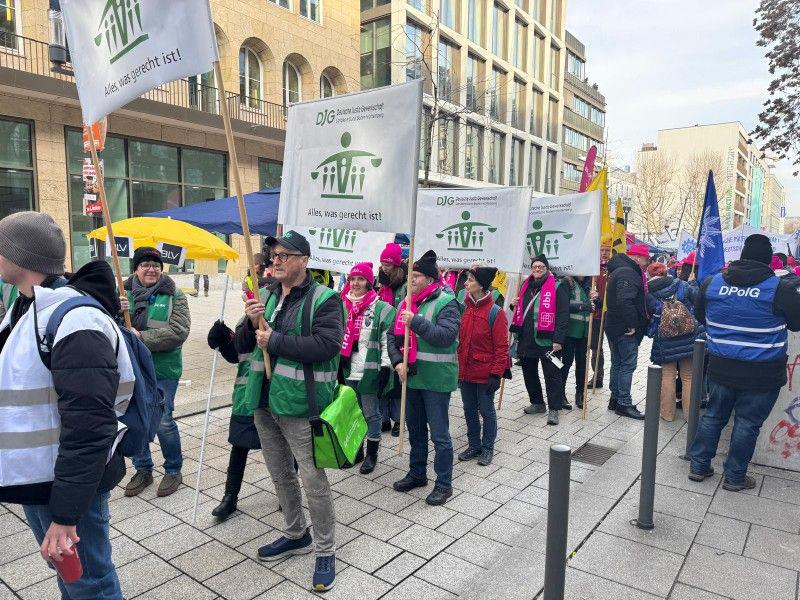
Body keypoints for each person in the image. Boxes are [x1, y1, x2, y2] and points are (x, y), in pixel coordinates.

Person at [0, 212, 134, 599]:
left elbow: (91, 426)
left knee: (89, 581)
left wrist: (65, 514)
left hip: (68, 485)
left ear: (22, 257)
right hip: (42, 477)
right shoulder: (26, 307)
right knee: (71, 577)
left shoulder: (75, 320)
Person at [234, 230, 343, 592]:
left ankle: (325, 550)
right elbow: (243, 345)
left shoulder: (326, 300)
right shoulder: (265, 295)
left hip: (299, 404)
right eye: (274, 256)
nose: (276, 261)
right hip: (263, 400)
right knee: (280, 473)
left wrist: (275, 340)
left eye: (285, 255)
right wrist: (250, 322)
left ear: (304, 261)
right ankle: (296, 533)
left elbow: (327, 346)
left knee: (312, 478)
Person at [689, 234, 800, 491]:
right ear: (768, 260)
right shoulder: (779, 288)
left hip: (721, 366)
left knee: (713, 416)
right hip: (762, 372)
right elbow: (796, 323)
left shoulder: (713, 283)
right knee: (747, 423)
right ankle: (735, 476)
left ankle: (698, 465)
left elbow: (701, 316)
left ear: (742, 256)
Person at [388, 250, 461, 506]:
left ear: (430, 280)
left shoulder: (447, 303)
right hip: (411, 378)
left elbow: (446, 337)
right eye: (410, 275)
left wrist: (416, 322)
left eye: (416, 276)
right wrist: (397, 361)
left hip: (436, 380)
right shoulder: (405, 303)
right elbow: (391, 336)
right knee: (416, 431)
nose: (411, 280)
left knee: (439, 435)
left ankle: (444, 484)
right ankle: (417, 474)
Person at [122, 247, 191, 498]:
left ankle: (173, 470)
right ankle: (143, 469)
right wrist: (114, 310)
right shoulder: (122, 295)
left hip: (163, 369)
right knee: (135, 419)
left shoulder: (174, 295)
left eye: (156, 265)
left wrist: (141, 337)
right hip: (132, 369)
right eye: (145, 265)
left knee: (163, 421)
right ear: (136, 269)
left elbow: (178, 331)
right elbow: (109, 328)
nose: (151, 269)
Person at [340, 262, 396, 474]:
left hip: (369, 371)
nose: (355, 283)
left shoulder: (380, 308)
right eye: (353, 279)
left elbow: (386, 340)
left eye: (361, 279)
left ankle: (372, 454)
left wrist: (386, 366)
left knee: (371, 413)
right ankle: (357, 449)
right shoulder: (342, 305)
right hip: (348, 369)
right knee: (353, 412)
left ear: (369, 282)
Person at [206, 318, 262, 520]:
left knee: (284, 447)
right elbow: (236, 354)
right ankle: (230, 496)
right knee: (239, 445)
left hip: (276, 395)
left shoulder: (283, 312)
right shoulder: (245, 320)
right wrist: (223, 340)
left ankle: (287, 493)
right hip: (245, 395)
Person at [457, 266, 509, 466]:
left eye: (470, 280)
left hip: (485, 374)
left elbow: (501, 347)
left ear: (481, 285)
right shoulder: (464, 307)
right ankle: (474, 445)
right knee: (469, 409)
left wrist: (496, 374)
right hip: (465, 371)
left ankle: (487, 448)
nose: (465, 283)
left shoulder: (496, 313)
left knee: (486, 411)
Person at [511, 254, 569, 425]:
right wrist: (514, 305)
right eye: (535, 267)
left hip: (548, 340)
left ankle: (554, 409)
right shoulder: (525, 285)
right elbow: (521, 310)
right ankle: (537, 403)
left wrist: (558, 339)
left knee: (552, 374)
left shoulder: (557, 286)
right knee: (529, 372)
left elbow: (563, 315)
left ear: (547, 269)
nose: (537, 269)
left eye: (541, 267)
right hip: (526, 338)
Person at [645, 262, 702, 421]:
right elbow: (698, 300)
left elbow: (650, 314)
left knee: (667, 376)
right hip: (688, 337)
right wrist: (693, 284)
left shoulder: (650, 292)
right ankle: (690, 415)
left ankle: (667, 414)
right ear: (666, 273)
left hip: (665, 339)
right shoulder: (683, 285)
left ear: (649, 275)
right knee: (688, 377)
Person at [605, 244, 651, 420]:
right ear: (638, 258)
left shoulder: (620, 270)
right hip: (624, 328)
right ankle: (624, 403)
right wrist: (633, 324)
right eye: (646, 259)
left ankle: (615, 399)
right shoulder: (628, 272)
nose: (647, 263)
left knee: (618, 363)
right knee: (627, 365)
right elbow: (625, 300)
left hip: (615, 326)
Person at [376, 242, 407, 435]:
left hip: (398, 334)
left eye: (387, 264)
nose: (384, 267)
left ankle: (398, 419)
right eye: (382, 264)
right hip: (381, 333)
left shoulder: (404, 285)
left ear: (396, 265)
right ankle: (383, 417)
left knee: (396, 380)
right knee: (382, 376)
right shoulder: (380, 282)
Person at [561, 275, 595, 409]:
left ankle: (580, 394)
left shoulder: (591, 283)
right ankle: (560, 394)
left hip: (584, 332)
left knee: (582, 364)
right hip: (569, 331)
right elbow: (562, 304)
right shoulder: (567, 281)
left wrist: (596, 301)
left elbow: (594, 306)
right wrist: (582, 306)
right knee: (566, 363)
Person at [588, 241, 611, 390]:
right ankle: (597, 377)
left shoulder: (614, 269)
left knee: (614, 349)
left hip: (610, 314)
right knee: (596, 348)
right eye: (602, 250)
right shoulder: (593, 268)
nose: (604, 253)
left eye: (607, 250)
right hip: (596, 314)